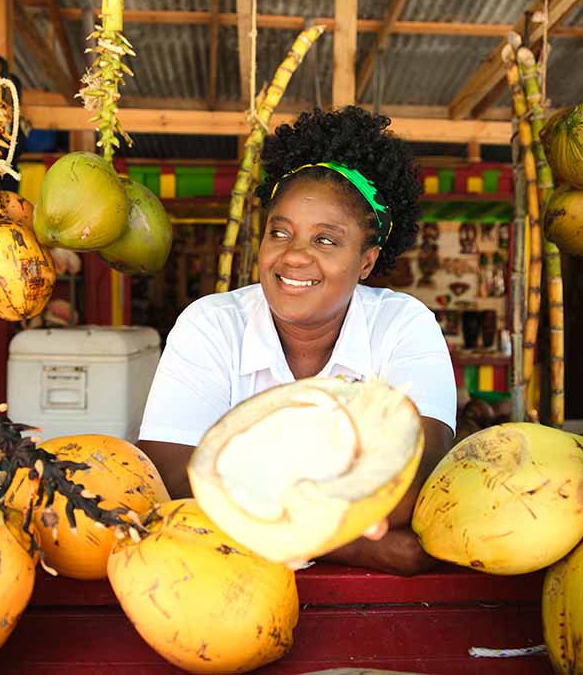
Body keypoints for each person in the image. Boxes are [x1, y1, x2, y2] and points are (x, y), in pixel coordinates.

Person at [138, 106, 456, 576]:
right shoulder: (210, 324)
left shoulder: (404, 325)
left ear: (366, 261)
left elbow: (409, 492)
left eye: (326, 240)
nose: (294, 256)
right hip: (222, 588)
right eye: (279, 232)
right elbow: (168, 480)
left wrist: (251, 499)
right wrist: (355, 548)